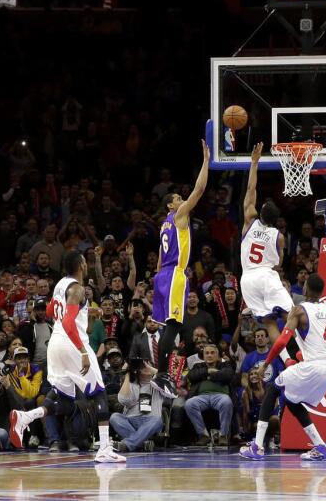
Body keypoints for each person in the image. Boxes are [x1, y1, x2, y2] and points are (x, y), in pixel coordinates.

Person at [9, 251, 124, 463]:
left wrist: (86, 313)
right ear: (81, 264)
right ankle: (105, 448)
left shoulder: (61, 284)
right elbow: (70, 323)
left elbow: (53, 311)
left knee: (63, 398)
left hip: (56, 344)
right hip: (72, 344)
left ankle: (26, 417)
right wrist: (82, 351)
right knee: (98, 393)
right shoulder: (78, 289)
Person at [240, 274, 326, 461]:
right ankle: (321, 447)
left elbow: (281, 342)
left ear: (304, 289)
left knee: (273, 389)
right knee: (291, 400)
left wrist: (267, 364)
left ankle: (257, 446)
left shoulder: (298, 311)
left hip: (314, 366)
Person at [152, 141, 211, 390]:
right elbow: (199, 190)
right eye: (178, 198)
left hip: (162, 276)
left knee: (167, 326)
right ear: (170, 205)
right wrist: (207, 161)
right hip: (175, 273)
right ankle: (162, 374)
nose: (182, 199)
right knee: (174, 325)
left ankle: (161, 373)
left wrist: (158, 280)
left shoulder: (164, 224)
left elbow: (157, 257)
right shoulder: (178, 216)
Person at [239, 143, 295, 348]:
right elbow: (279, 263)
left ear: (260, 213)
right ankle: (305, 352)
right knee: (292, 315)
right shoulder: (279, 236)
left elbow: (251, 189)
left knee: (270, 323)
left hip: (247, 279)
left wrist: (254, 163)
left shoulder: (249, 222)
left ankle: (286, 359)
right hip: (265, 274)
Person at [111, 361, 175, 452]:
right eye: (142, 365)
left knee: (157, 420)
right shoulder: (132, 384)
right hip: (130, 421)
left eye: (148, 364)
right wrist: (128, 374)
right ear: (137, 370)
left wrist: (150, 368)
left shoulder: (158, 384)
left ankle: (128, 444)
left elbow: (172, 381)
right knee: (114, 417)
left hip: (149, 421)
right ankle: (142, 444)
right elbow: (123, 400)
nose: (145, 366)